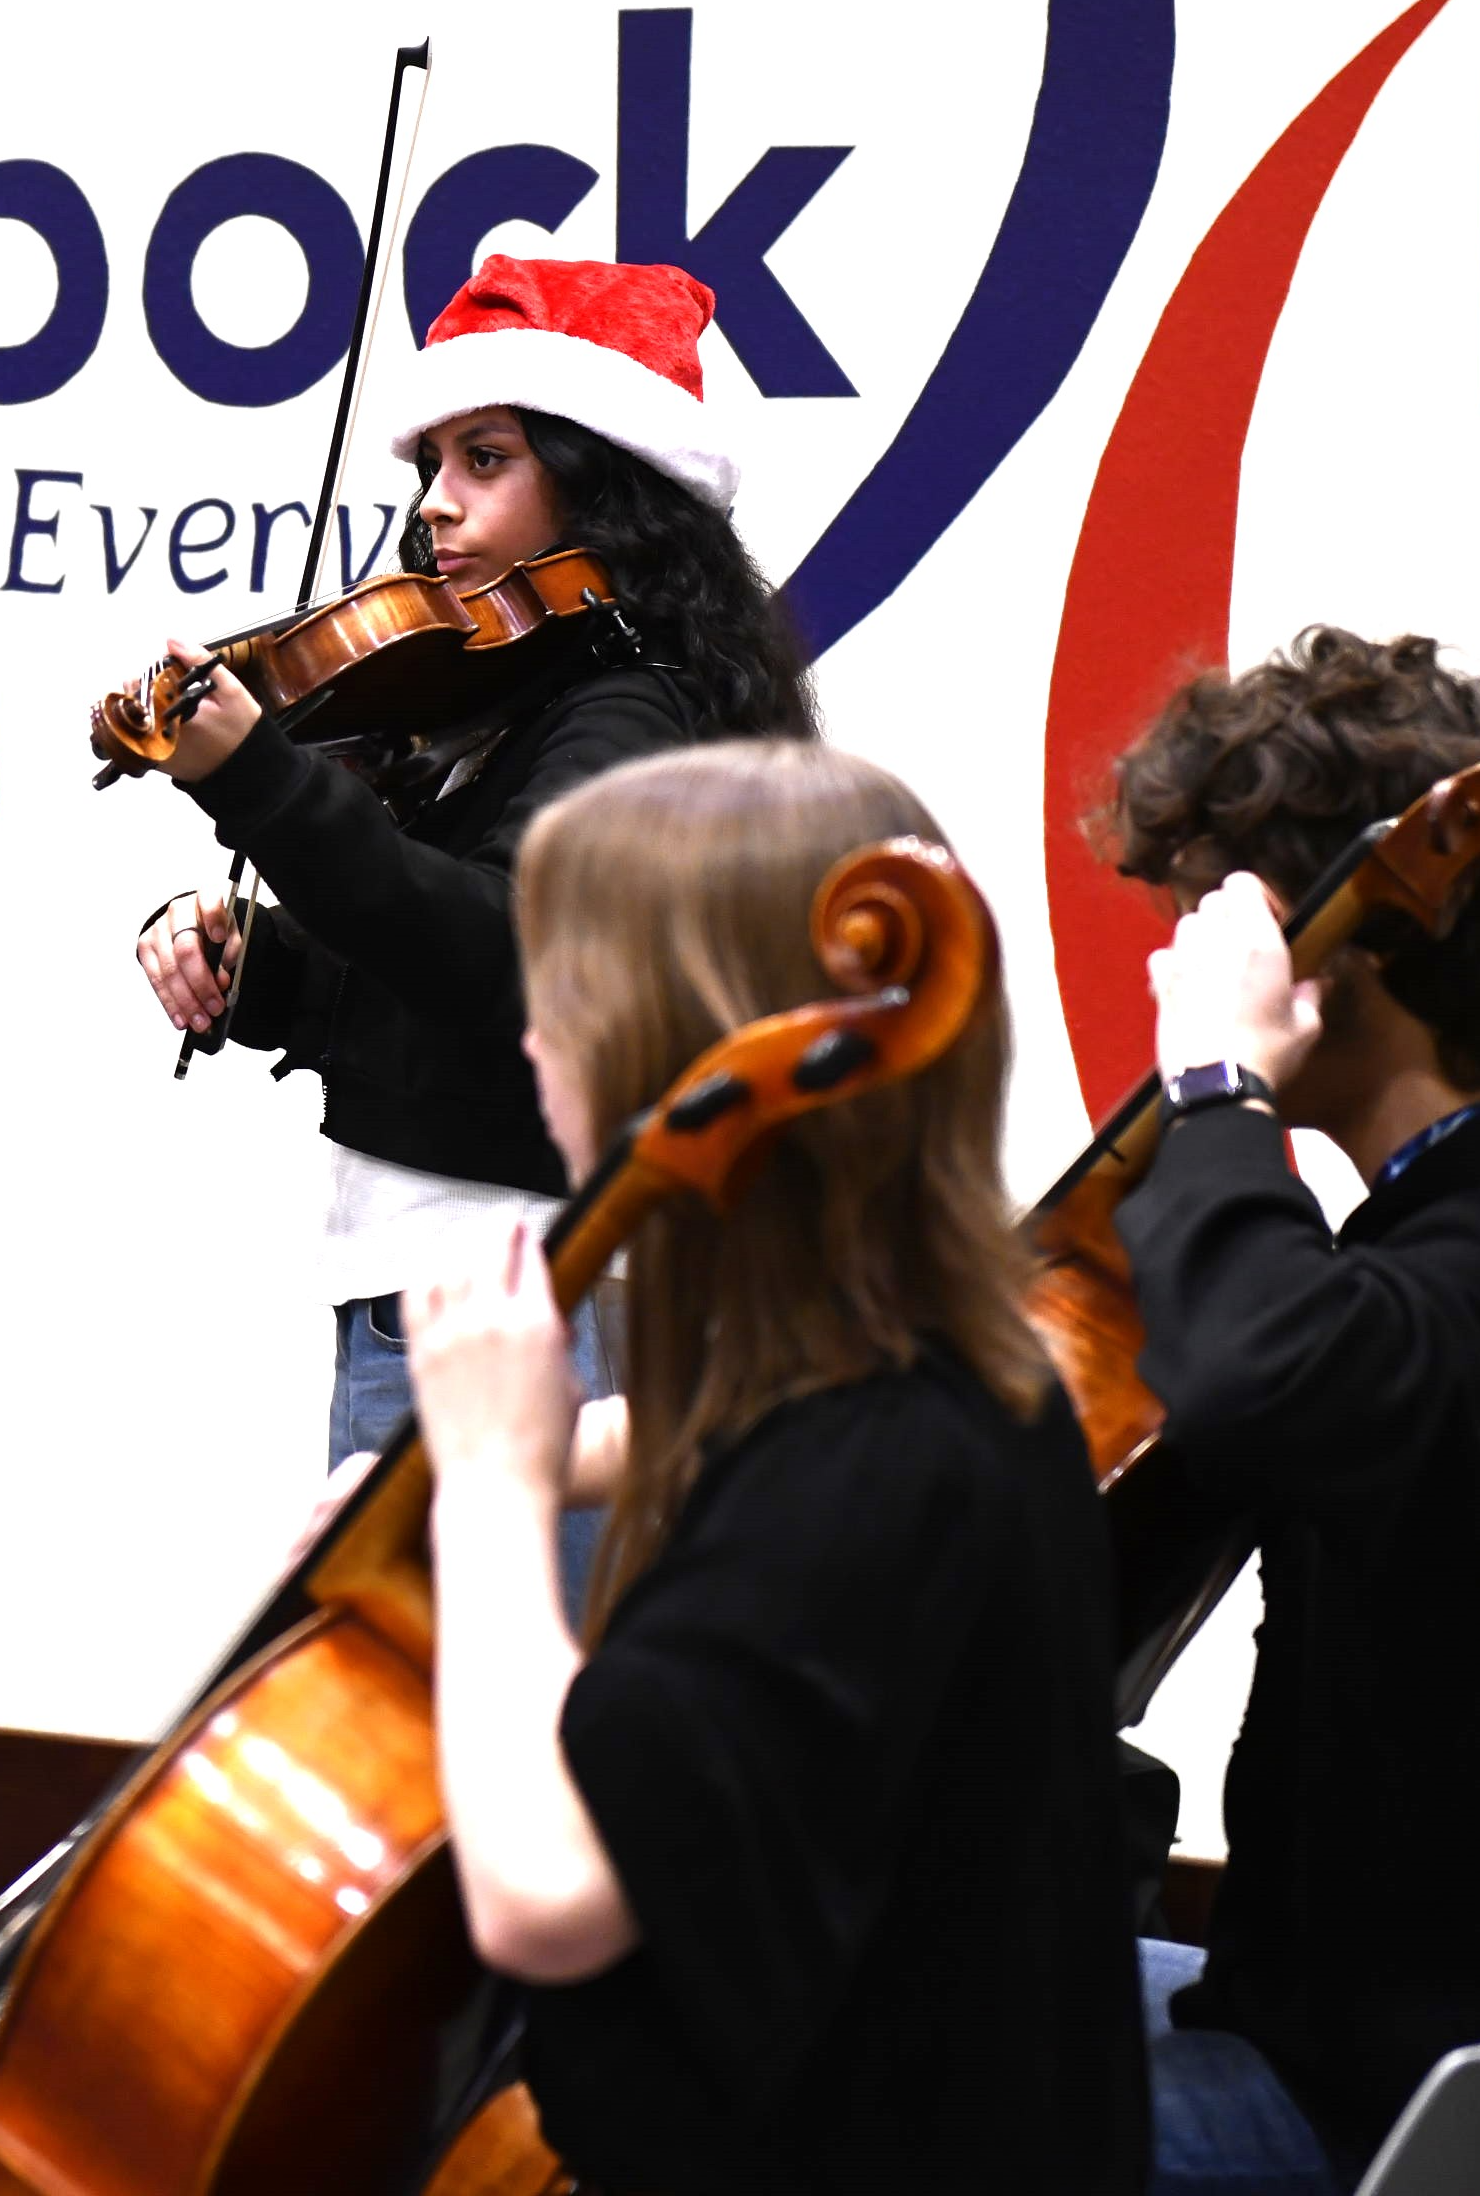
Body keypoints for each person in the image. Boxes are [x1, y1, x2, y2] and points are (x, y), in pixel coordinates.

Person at [400, 738, 1148, 2192]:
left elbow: (550, 1897)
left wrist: (489, 1492)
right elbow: (743, 1458)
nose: (533, 1042)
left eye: (559, 993)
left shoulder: (870, 1468)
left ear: (676, 1038)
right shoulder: (940, 1373)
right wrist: (542, 1461)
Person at [129, 255, 815, 1513]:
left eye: (484, 460)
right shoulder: (500, 702)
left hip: (523, 1293)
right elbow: (436, 975)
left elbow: (510, 956)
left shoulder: (633, 710)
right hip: (451, 1283)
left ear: (606, 485)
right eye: (431, 466)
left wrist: (262, 784)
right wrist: (264, 973)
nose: (435, 506)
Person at [1099, 626, 1480, 2189]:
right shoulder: (1427, 1242)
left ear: (1347, 956)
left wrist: (1216, 1097)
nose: (1181, 965)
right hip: (1300, 2021)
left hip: (1381, 2104)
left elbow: (1261, 1380)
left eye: (1216, 924)